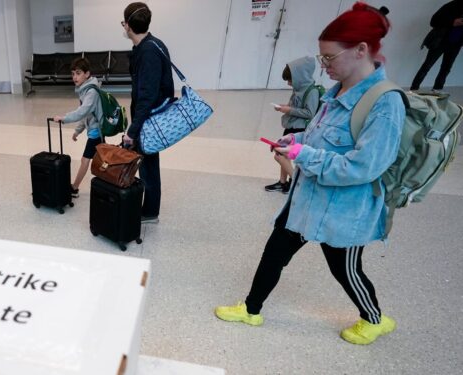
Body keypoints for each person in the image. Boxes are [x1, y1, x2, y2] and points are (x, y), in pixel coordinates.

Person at [215, 2, 405, 345]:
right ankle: (251, 309)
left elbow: (363, 167)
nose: (324, 66)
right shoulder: (338, 90)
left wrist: (305, 154)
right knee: (275, 250)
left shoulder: (385, 103)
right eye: (322, 59)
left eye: (329, 58)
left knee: (345, 270)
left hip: (343, 212)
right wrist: (296, 139)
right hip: (307, 199)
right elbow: (322, 134)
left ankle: (374, 318)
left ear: (361, 50)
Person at [120, 2, 174, 224]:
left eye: (123, 23)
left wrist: (132, 131)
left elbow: (147, 97)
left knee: (149, 165)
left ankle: (150, 212)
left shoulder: (148, 51)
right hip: (149, 116)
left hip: (150, 119)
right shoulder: (151, 45)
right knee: (149, 162)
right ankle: (149, 207)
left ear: (128, 25)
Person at [265, 57, 320, 194]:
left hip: (300, 130)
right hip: (291, 128)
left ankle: (296, 184)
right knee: (283, 155)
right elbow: (295, 105)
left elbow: (309, 112)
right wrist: (284, 107)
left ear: (300, 77)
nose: (289, 83)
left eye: (291, 80)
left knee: (280, 156)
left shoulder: (312, 91)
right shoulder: (298, 89)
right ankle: (283, 183)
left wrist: (288, 110)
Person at [52, 58, 103, 198]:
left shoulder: (91, 92)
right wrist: (78, 130)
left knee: (85, 160)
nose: (74, 77)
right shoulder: (84, 90)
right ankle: (110, 181)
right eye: (73, 73)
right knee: (102, 158)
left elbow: (82, 111)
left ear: (87, 74)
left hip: (97, 132)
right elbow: (86, 113)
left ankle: (74, 188)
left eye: (78, 73)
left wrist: (64, 118)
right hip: (96, 129)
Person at [410, 0, 463, 92]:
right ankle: (413, 90)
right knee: (427, 66)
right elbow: (433, 21)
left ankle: (437, 91)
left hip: (456, 44)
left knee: (446, 68)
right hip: (440, 42)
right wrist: (452, 22)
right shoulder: (451, 5)